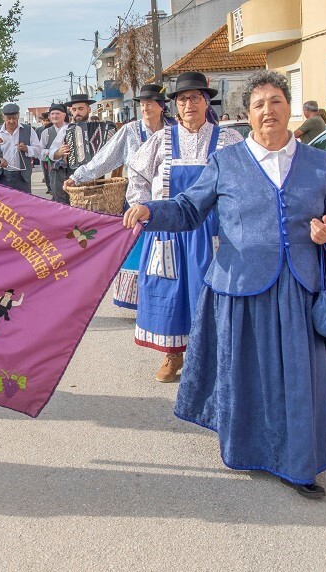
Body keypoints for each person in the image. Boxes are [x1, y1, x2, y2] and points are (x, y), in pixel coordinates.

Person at [124, 70, 326, 499]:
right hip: (239, 288)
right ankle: (249, 451)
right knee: (248, 376)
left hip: (299, 289)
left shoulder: (319, 163)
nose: (268, 110)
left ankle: (299, 465)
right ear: (247, 114)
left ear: (289, 108)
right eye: (258, 104)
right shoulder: (226, 162)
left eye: (276, 102)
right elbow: (188, 210)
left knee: (302, 379)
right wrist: (148, 212)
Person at [126, 71, 243, 383]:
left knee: (212, 294)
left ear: (206, 101)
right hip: (169, 231)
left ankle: (215, 359)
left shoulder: (229, 140)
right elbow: (136, 175)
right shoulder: (160, 141)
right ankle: (172, 355)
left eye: (195, 97)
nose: (189, 104)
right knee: (170, 292)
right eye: (182, 99)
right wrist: (141, 205)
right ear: (174, 107)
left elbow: (245, 182)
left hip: (213, 231)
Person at [65, 83, 176, 310]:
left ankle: (168, 298)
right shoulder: (130, 131)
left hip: (167, 199)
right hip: (138, 200)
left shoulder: (173, 130)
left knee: (167, 250)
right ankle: (141, 300)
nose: (145, 107)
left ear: (161, 106)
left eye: (150, 103)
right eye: (142, 103)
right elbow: (105, 158)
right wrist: (78, 177)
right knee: (139, 249)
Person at [0, 103, 41, 193]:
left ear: (18, 116)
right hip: (2, 177)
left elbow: (38, 150)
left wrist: (26, 148)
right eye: (9, 118)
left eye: (14, 118)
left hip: (22, 177)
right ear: (3, 117)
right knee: (5, 205)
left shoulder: (28, 130)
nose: (11, 121)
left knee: (24, 204)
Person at [38, 103, 67, 196]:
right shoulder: (46, 132)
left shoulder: (71, 128)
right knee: (58, 195)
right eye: (52, 114)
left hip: (71, 169)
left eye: (58, 113)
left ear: (64, 115)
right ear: (49, 116)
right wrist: (51, 152)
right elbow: (39, 152)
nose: (55, 116)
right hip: (54, 170)